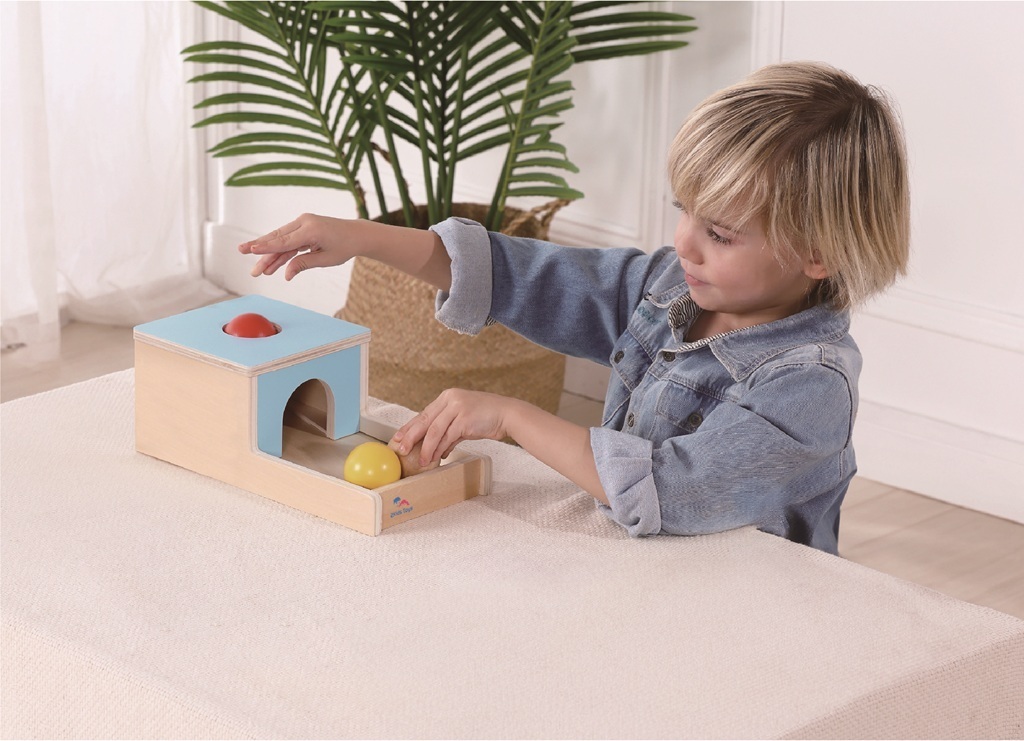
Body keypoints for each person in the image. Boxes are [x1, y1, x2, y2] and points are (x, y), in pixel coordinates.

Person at [239, 61, 910, 554]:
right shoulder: (668, 286)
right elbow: (527, 279)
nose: (684, 242)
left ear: (817, 253)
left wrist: (510, 415)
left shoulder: (808, 385)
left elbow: (672, 490)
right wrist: (363, 238)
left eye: (720, 233)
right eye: (685, 211)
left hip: (749, 608)